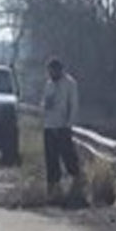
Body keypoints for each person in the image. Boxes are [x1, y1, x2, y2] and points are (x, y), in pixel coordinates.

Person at [41, 58, 83, 206]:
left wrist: (67, 125)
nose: (51, 73)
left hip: (63, 127)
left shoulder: (70, 84)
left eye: (53, 70)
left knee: (68, 156)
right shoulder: (49, 85)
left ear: (60, 70)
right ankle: (53, 191)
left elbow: (73, 105)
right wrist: (45, 107)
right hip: (49, 126)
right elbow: (44, 104)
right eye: (49, 71)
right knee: (51, 160)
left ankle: (77, 186)